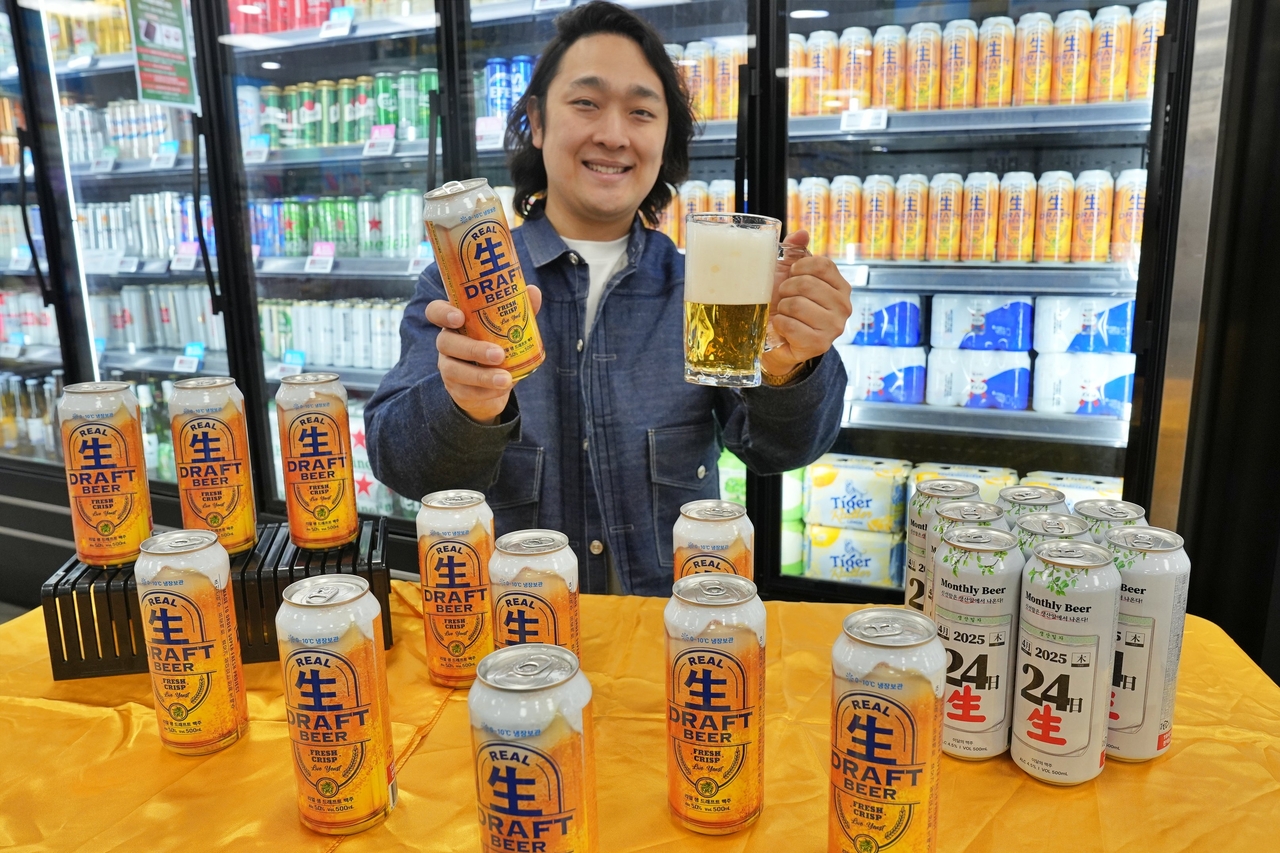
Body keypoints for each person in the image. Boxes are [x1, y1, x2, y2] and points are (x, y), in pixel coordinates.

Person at [366, 1, 851, 595]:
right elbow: (401, 465)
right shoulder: (462, 282)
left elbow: (779, 451)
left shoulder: (705, 287)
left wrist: (790, 362)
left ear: (665, 138)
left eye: (642, 112)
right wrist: (464, 406)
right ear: (537, 122)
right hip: (517, 629)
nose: (614, 135)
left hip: (674, 630)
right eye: (586, 103)